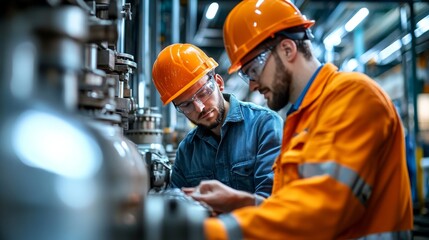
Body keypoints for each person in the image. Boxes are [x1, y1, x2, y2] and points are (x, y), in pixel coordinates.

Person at [186, 0, 414, 239]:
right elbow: (295, 207)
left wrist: (209, 232)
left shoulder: (354, 97)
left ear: (287, 49)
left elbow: (321, 212)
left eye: (252, 70)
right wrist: (242, 201)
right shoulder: (301, 117)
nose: (252, 85)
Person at [151, 43, 283, 200]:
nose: (199, 108)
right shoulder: (187, 152)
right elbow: (178, 209)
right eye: (186, 105)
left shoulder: (264, 125)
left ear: (219, 83)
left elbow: (273, 201)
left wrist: (229, 205)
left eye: (203, 93)